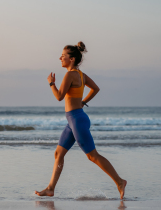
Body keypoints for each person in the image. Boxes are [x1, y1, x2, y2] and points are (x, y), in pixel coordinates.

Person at [34, 41, 127, 200]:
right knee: (58, 153)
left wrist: (51, 83)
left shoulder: (70, 74)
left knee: (92, 156)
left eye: (63, 56)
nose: (60, 58)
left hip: (77, 120)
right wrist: (82, 102)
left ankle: (119, 181)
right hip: (75, 119)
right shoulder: (81, 75)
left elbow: (59, 97)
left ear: (71, 59)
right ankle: (50, 188)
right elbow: (96, 89)